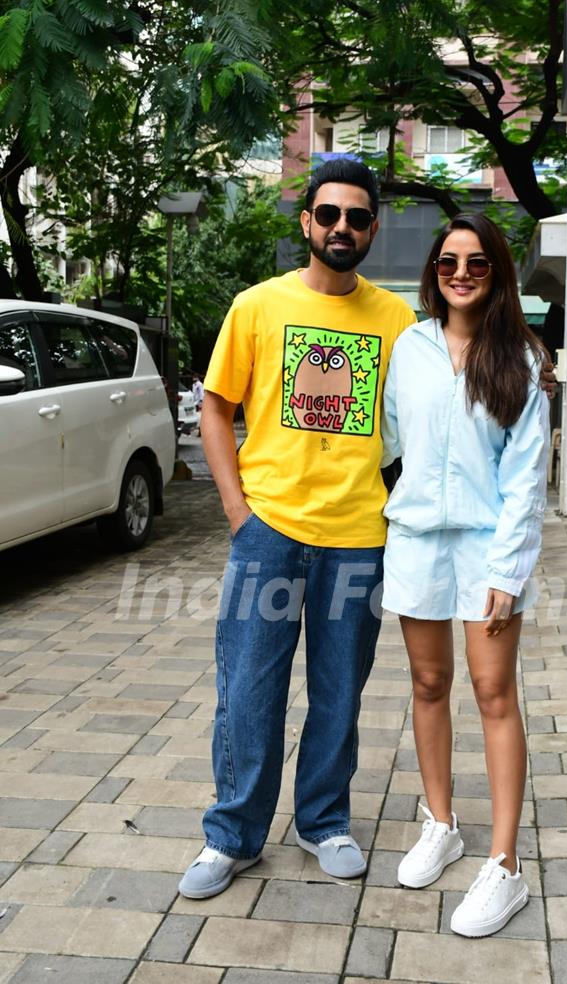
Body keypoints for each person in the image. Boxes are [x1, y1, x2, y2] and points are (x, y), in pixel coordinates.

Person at [178, 159, 416, 898]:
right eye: (329, 214)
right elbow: (216, 407)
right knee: (248, 689)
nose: (341, 227)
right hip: (269, 530)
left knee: (339, 692)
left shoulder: (398, 322)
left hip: (357, 535)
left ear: (372, 228)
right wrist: (236, 510)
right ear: (307, 223)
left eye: (357, 217)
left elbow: (422, 422)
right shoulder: (256, 307)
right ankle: (233, 836)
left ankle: (323, 821)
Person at [380, 212, 549, 938]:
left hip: (487, 547)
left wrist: (508, 571)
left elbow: (526, 476)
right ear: (434, 271)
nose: (461, 274)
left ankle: (505, 866)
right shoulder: (409, 349)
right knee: (428, 684)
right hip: (417, 540)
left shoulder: (520, 361)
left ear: (497, 273)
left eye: (477, 263)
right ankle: (441, 823)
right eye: (450, 262)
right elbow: (387, 440)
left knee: (491, 691)